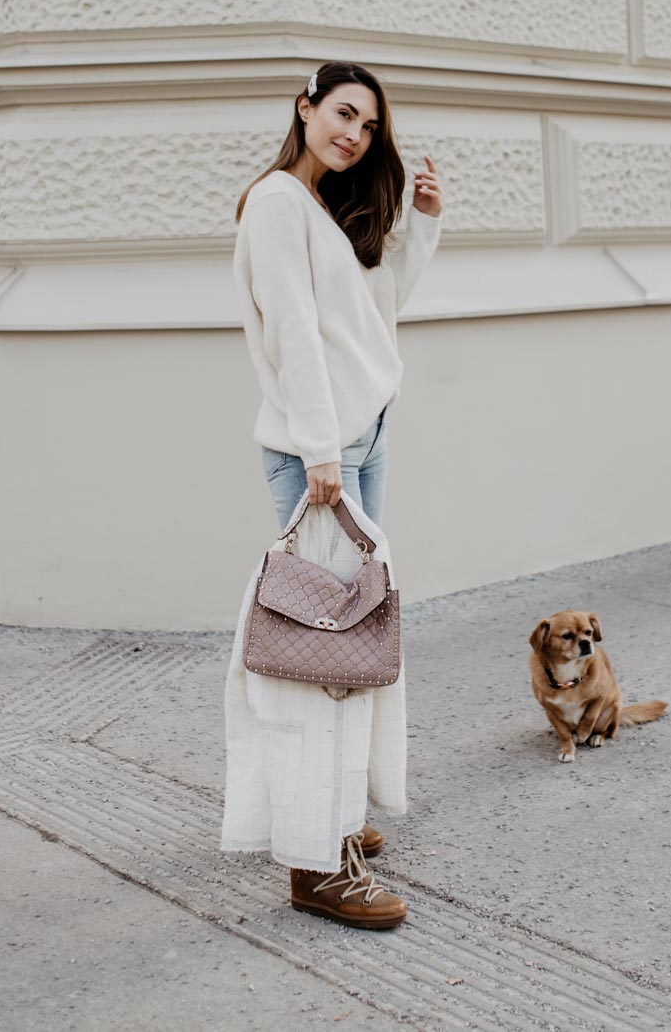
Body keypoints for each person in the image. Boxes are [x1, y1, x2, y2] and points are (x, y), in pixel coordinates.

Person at [220, 61, 442, 929]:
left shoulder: (320, 211)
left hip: (360, 438)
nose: (354, 133)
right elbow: (293, 330)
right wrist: (319, 447)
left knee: (356, 642)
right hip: (325, 450)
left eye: (369, 126)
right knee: (324, 664)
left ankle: (336, 813)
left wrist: (419, 227)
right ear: (304, 108)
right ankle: (318, 865)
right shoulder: (276, 202)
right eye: (343, 113)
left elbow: (370, 320)